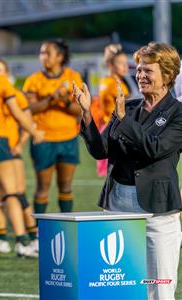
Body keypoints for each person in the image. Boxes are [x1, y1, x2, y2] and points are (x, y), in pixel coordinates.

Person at [74, 42, 182, 300]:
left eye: (148, 71)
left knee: (159, 287)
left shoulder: (178, 112)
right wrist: (87, 114)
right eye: (139, 69)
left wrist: (123, 121)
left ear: (167, 75)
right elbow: (101, 151)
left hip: (157, 210)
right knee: (119, 286)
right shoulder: (129, 107)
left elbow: (154, 148)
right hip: (117, 205)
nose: (140, 76)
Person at [22, 39, 83, 215]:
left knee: (65, 186)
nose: (43, 57)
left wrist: (63, 101)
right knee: (43, 187)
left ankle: (66, 225)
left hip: (68, 138)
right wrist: (51, 99)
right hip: (43, 139)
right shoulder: (34, 80)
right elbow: (30, 109)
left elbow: (79, 110)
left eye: (47, 53)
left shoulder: (73, 77)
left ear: (60, 56)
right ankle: (38, 232)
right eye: (41, 53)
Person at [0, 58, 41, 255]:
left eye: (0, 70)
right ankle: (1, 239)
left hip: (10, 149)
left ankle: (31, 238)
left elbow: (26, 119)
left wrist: (20, 144)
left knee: (18, 195)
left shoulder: (13, 93)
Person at [96, 44, 130, 177]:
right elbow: (127, 109)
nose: (125, 66)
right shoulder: (117, 85)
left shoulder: (105, 80)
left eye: (126, 63)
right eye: (121, 63)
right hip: (116, 129)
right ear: (111, 65)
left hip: (106, 127)